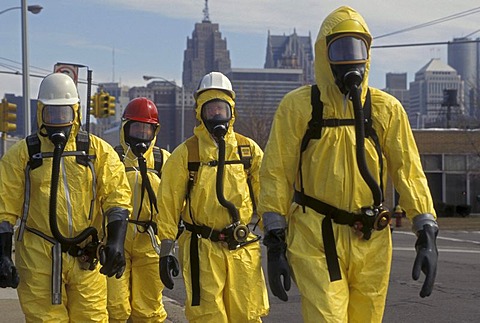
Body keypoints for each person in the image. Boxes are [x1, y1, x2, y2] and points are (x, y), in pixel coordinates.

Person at [258, 6, 438, 322]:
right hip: (317, 235)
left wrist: (425, 226)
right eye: (340, 48)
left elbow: (407, 168)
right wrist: (275, 239)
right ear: (323, 54)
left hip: (372, 239)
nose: (350, 58)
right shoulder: (299, 107)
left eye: (358, 47)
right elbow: (276, 173)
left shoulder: (386, 109)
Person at [0, 72, 132, 322]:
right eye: (52, 114)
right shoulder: (24, 155)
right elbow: (3, 207)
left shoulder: (96, 151)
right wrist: (3, 254)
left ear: (76, 112)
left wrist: (115, 242)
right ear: (41, 113)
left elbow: (117, 198)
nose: (58, 121)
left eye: (64, 114)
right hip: (39, 259)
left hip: (85, 257)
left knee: (92, 317)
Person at [156, 72, 269, 322]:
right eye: (211, 110)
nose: (217, 116)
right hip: (202, 249)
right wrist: (166, 249)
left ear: (231, 112)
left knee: (247, 314)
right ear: (200, 112)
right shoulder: (187, 153)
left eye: (222, 109)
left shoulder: (248, 151)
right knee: (208, 316)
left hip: (242, 247)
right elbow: (168, 203)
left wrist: (277, 237)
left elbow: (267, 197)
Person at [107, 97, 170, 322]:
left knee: (148, 309)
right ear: (126, 129)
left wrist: (171, 244)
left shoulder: (164, 161)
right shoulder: (111, 159)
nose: (141, 137)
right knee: (114, 307)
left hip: (150, 242)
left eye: (146, 130)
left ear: (154, 131)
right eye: (136, 129)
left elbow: (176, 202)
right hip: (116, 241)